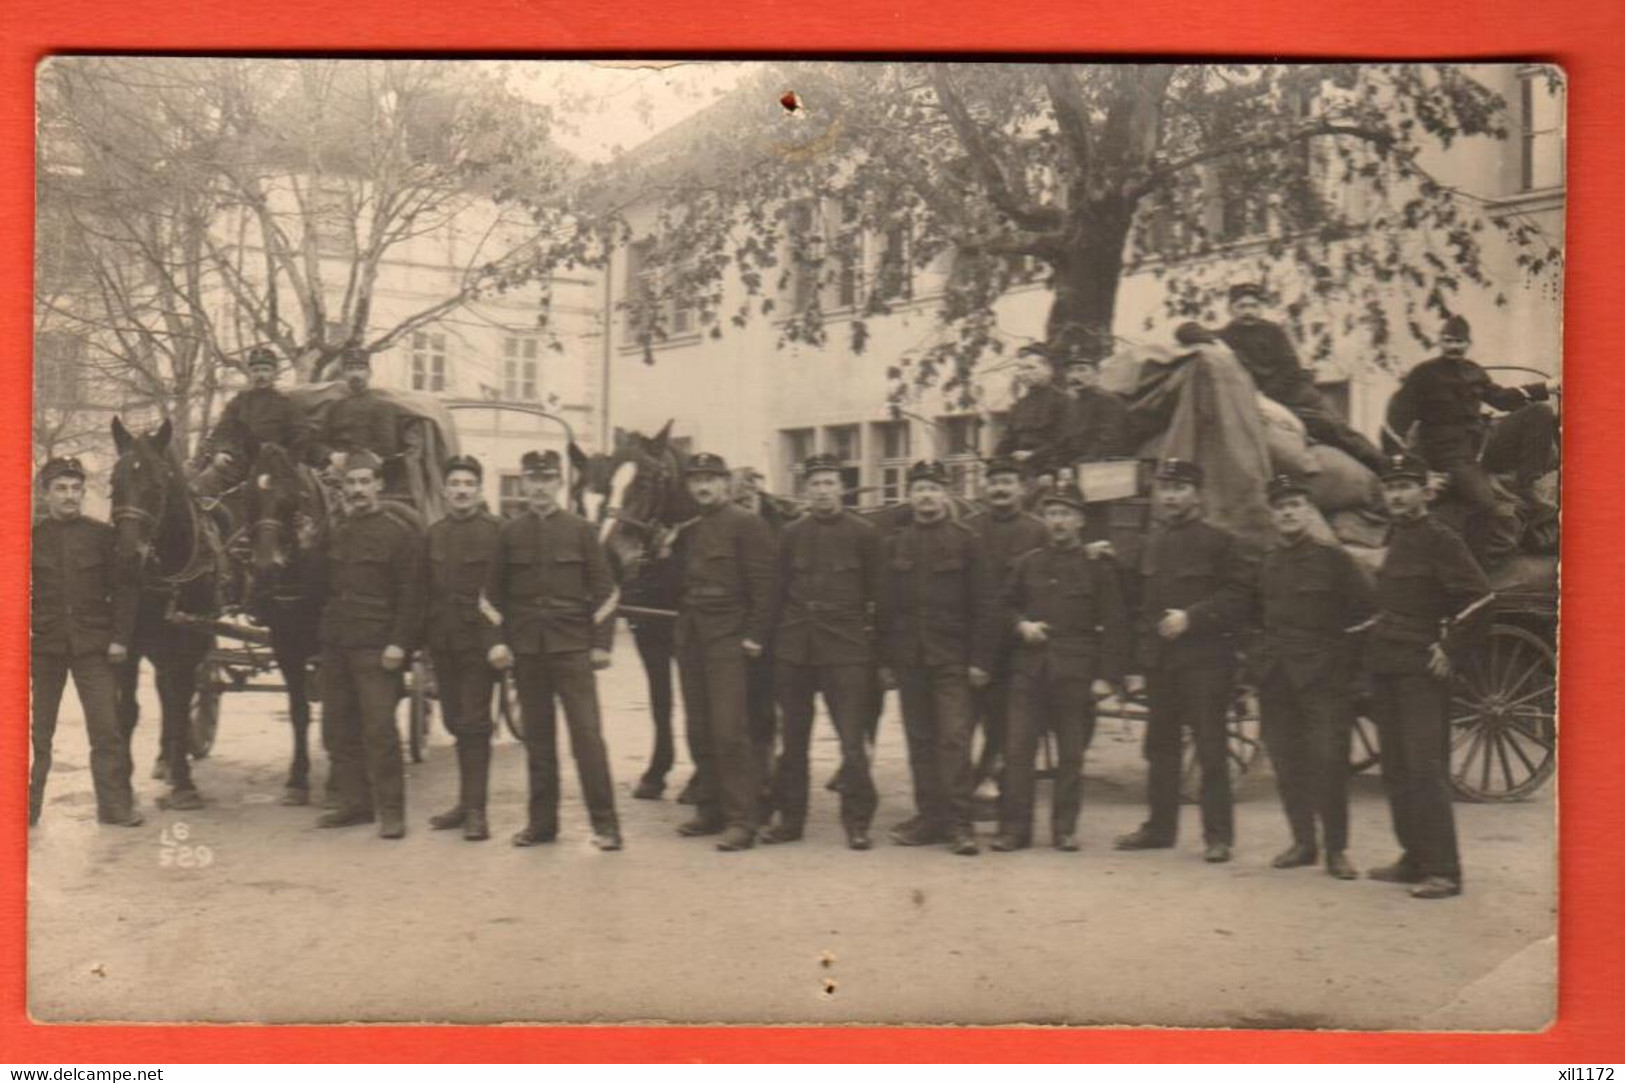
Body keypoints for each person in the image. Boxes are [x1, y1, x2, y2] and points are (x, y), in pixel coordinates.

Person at [1358, 453, 1495, 900]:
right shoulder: (1395, 535)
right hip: (1386, 665)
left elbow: (1480, 599)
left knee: (1424, 767)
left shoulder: (1441, 539)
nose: (1396, 494)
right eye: (1390, 486)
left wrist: (1449, 647)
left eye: (1405, 486)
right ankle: (1413, 857)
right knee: (1395, 768)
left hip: (1420, 668)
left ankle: (1444, 870)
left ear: (1424, 491)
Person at [1115, 458, 1256, 863]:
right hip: (1162, 663)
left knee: (1211, 749)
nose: (1171, 496)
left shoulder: (1220, 542)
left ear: (1197, 494)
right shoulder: (1151, 543)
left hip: (1205, 662)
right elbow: (1142, 607)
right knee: (1159, 747)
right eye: (1165, 489)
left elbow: (1237, 598)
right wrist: (1140, 663)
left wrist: (1191, 618)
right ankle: (1160, 828)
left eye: (1180, 488)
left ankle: (1219, 836)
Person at [484, 449, 622, 851]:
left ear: (559, 484)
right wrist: (496, 642)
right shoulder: (509, 533)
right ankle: (542, 825)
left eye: (548, 480)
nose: (540, 487)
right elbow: (491, 597)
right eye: (533, 479)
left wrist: (601, 645)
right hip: (528, 650)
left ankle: (607, 825)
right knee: (539, 741)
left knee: (587, 738)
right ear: (524, 483)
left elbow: (606, 593)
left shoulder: (580, 530)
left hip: (572, 648)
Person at [994, 491, 1130, 852]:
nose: (1058, 522)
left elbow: (1115, 623)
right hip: (1029, 672)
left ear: (1080, 521)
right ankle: (1015, 830)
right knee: (1018, 752)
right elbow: (1004, 607)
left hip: (1075, 673)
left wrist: (1107, 677)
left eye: (1066, 514)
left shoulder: (1097, 567)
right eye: (1052, 513)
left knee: (1071, 755)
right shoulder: (1028, 563)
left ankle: (1065, 829)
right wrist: (1022, 626)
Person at [1256, 473, 1375, 880]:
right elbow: (1255, 619)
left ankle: (1336, 849)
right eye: (1280, 506)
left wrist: (1345, 671)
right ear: (1272, 515)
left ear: (1308, 511)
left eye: (1295, 505)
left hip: (1324, 680)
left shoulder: (1334, 560)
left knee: (1328, 762)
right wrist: (1258, 663)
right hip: (1277, 678)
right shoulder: (1267, 563)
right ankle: (1303, 842)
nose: (1288, 513)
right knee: (1287, 762)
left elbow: (1366, 617)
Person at [765, 452, 885, 850]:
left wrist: (878, 656)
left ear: (842, 487)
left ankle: (857, 821)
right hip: (796, 648)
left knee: (851, 741)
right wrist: (767, 644)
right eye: (815, 484)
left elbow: (879, 598)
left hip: (846, 648)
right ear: (805, 490)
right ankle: (790, 819)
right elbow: (776, 594)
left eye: (830, 483)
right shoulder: (791, 534)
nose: (822, 491)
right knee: (793, 741)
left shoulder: (864, 534)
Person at [305, 450, 426, 839]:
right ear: (342, 489)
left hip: (377, 646)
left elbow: (412, 596)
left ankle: (392, 811)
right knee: (337, 729)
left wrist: (400, 645)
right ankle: (355, 804)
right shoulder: (335, 530)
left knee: (379, 729)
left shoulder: (398, 533)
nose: (357, 490)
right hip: (337, 642)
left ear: (378, 485)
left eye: (364, 482)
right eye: (350, 484)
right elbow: (318, 586)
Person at [877, 459, 993, 856]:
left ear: (946, 494)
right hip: (910, 657)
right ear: (909, 496)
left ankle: (960, 823)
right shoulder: (896, 544)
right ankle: (929, 817)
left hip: (953, 658)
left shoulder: (967, 541)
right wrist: (886, 662)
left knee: (954, 739)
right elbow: (885, 609)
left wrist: (980, 660)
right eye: (919, 489)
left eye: (933, 489)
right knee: (920, 740)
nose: (926, 496)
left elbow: (985, 605)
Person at [668, 452, 778, 851]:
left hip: (729, 638)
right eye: (696, 480)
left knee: (730, 729)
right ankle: (710, 808)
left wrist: (755, 636)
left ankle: (742, 820)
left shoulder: (748, 525)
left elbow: (766, 588)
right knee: (698, 727)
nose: (703, 487)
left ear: (726, 484)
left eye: (711, 479)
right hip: (692, 637)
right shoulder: (691, 529)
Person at [1387, 314, 1559, 564]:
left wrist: (1546, 387)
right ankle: (1477, 563)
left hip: (1481, 448)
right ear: (1440, 342)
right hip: (1449, 456)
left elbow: (1501, 399)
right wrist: (1422, 473)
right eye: (1448, 341)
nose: (1454, 347)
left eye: (1459, 341)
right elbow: (1396, 421)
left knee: (1539, 412)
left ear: (1468, 344)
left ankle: (1526, 485)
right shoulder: (1424, 375)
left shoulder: (1474, 372)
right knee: (1485, 503)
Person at [31, 457, 141, 828]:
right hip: (43, 648)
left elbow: (125, 590)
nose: (69, 496)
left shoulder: (102, 536)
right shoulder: (28, 539)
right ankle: (25, 810)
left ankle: (114, 809)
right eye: (60, 488)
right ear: (45, 493)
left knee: (107, 728)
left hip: (93, 648)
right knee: (36, 734)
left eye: (76, 488)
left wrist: (120, 639)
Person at [1217, 283, 1387, 475]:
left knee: (1335, 429)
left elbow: (1290, 368)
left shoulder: (1273, 331)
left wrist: (1268, 395)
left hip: (1294, 396)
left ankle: (1384, 468)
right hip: (1260, 403)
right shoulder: (1224, 337)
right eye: (1242, 306)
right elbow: (1189, 333)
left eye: (1253, 306)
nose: (1248, 312)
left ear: (1260, 308)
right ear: (1230, 309)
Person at [422, 455, 502, 841]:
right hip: (444, 644)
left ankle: (477, 812)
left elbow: (506, 594)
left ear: (479, 490)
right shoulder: (433, 534)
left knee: (474, 724)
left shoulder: (496, 533)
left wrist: (501, 643)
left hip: (479, 646)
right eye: (455, 483)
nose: (462, 490)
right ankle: (464, 802)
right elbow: (421, 593)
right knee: (454, 722)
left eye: (469, 483)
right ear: (445, 491)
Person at [963, 459, 1047, 800]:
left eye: (1008, 482)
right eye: (994, 482)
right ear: (985, 488)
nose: (1000, 489)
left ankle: (994, 779)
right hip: (974, 638)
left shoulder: (1038, 530)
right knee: (962, 720)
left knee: (1006, 718)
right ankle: (962, 788)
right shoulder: (969, 528)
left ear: (1022, 488)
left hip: (1018, 640)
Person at [194, 346, 318, 497]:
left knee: (305, 487)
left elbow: (302, 434)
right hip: (240, 463)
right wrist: (222, 451)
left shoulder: (286, 404)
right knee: (207, 480)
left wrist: (286, 460)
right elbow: (223, 431)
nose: (261, 375)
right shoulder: (238, 403)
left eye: (265, 370)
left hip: (275, 465)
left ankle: (308, 519)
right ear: (250, 373)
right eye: (256, 370)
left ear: (274, 373)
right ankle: (210, 520)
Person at [320, 347, 421, 496]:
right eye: (350, 368)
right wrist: (330, 455)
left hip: (368, 471)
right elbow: (318, 441)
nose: (355, 374)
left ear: (369, 373)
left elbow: (387, 448)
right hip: (335, 470)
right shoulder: (334, 407)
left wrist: (351, 460)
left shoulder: (382, 405)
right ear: (343, 374)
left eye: (360, 368)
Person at [993, 342, 1076, 482]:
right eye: (1020, 368)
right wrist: (995, 463)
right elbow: (1006, 441)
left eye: (1030, 368)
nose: (1023, 373)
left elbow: (1064, 443)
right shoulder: (1019, 405)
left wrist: (1034, 456)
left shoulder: (1063, 401)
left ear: (1048, 369)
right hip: (1020, 472)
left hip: (1050, 471)